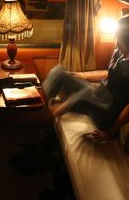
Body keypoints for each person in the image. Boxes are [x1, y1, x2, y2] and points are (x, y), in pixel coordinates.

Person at [42, 14, 129, 143]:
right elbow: (109, 73)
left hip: (109, 112)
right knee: (59, 72)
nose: (117, 40)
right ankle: (44, 107)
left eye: (120, 38)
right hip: (101, 95)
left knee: (87, 92)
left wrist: (111, 132)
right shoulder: (119, 50)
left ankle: (54, 112)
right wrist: (82, 75)